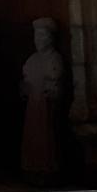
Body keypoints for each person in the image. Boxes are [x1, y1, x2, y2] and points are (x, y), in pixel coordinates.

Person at [21, 18, 66, 182]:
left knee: (47, 136)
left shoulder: (54, 59)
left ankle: (47, 168)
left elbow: (55, 82)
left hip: (46, 105)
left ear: (50, 38)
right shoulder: (33, 59)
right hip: (34, 104)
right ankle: (33, 167)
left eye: (42, 36)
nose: (38, 40)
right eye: (36, 36)